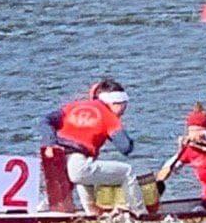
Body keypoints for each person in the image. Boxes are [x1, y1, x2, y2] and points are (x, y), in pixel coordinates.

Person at [39, 78, 137, 207]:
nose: (124, 110)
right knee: (127, 172)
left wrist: (50, 143)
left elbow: (45, 120)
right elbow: (125, 147)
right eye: (124, 105)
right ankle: (140, 214)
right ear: (117, 103)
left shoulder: (71, 107)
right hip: (78, 164)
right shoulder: (109, 117)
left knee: (60, 198)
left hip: (55, 160)